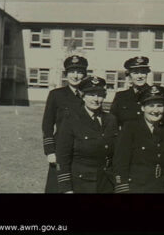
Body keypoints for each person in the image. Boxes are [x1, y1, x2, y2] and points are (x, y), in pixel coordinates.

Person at [56, 76, 118, 193]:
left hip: (107, 183)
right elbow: (62, 157)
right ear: (82, 96)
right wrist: (66, 189)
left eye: (99, 95)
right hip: (82, 184)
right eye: (91, 94)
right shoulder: (71, 120)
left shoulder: (111, 119)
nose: (96, 99)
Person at [113, 85, 164, 193]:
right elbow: (120, 163)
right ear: (143, 108)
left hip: (161, 188)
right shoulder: (130, 128)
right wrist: (123, 189)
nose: (156, 110)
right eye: (151, 105)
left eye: (160, 106)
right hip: (135, 188)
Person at [42, 55, 88, 193]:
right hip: (60, 148)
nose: (75, 75)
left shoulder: (89, 95)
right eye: (72, 71)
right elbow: (47, 124)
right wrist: (50, 151)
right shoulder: (56, 95)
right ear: (66, 74)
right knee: (56, 187)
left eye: (79, 72)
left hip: (82, 149)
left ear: (84, 75)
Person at [110, 56, 151, 129]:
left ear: (147, 74)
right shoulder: (120, 96)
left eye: (143, 72)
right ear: (129, 75)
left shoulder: (157, 94)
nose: (140, 76)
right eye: (135, 73)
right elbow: (112, 124)